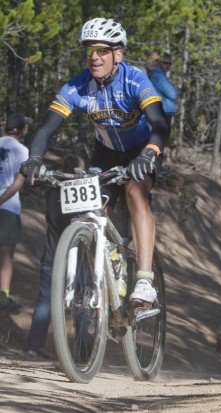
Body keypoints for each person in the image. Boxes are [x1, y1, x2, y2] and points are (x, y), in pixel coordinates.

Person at [20, 17, 170, 306]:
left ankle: (144, 279)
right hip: (105, 153)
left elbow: (160, 123)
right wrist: (35, 158)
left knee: (135, 191)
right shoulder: (76, 88)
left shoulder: (135, 79)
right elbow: (46, 128)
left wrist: (150, 152)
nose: (94, 57)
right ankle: (100, 282)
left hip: (141, 149)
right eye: (89, 51)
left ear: (118, 54)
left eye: (102, 50)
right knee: (91, 211)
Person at [25, 154, 84, 360]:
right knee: (82, 301)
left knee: (45, 301)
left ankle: (34, 346)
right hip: (77, 258)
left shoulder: (52, 192)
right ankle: (83, 352)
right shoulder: (82, 194)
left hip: (51, 254)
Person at [0, 112, 30, 313]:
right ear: (23, 130)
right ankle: (3, 299)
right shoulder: (22, 151)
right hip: (8, 208)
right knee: (5, 258)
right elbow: (19, 181)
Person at [146, 51, 178, 127]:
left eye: (170, 63)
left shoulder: (160, 74)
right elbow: (173, 95)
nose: (168, 65)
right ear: (159, 62)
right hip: (163, 112)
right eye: (165, 63)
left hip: (163, 112)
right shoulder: (157, 75)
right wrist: (177, 89)